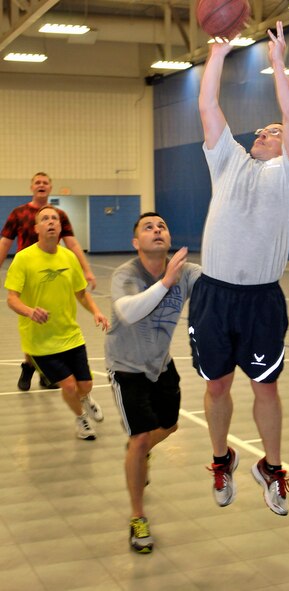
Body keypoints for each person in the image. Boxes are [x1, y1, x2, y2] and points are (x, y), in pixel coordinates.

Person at [188, 21, 289, 517]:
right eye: (260, 130)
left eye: (272, 131)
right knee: (216, 384)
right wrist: (216, 54)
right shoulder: (229, 161)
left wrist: (278, 64)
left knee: (267, 386)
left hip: (262, 298)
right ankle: (222, 458)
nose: (264, 132)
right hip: (215, 294)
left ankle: (273, 469)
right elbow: (207, 107)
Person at [105, 212, 200, 554]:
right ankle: (137, 517)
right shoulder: (126, 274)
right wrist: (165, 282)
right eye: (148, 227)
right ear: (136, 243)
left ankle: (137, 452)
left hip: (161, 365)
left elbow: (218, 287)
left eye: (162, 225)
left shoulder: (186, 272)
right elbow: (129, 311)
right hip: (126, 367)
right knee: (141, 436)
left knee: (170, 426)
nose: (157, 230)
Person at [5, 205, 109, 440]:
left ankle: (86, 398)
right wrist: (30, 311)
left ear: (60, 228)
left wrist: (96, 311)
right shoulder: (23, 259)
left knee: (86, 385)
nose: (51, 221)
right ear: (37, 228)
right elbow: (12, 299)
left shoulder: (69, 257)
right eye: (45, 219)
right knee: (69, 386)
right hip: (40, 339)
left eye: (55, 218)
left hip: (70, 334)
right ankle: (81, 418)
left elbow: (81, 292)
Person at [0, 172, 96, 391]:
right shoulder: (19, 213)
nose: (41, 185)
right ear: (31, 187)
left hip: (54, 274)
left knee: (51, 324)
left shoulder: (59, 214)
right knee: (32, 323)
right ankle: (28, 366)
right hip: (29, 277)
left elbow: (72, 244)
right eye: (37, 182)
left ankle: (46, 372)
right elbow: (5, 243)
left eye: (45, 182)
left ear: (50, 187)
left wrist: (87, 270)